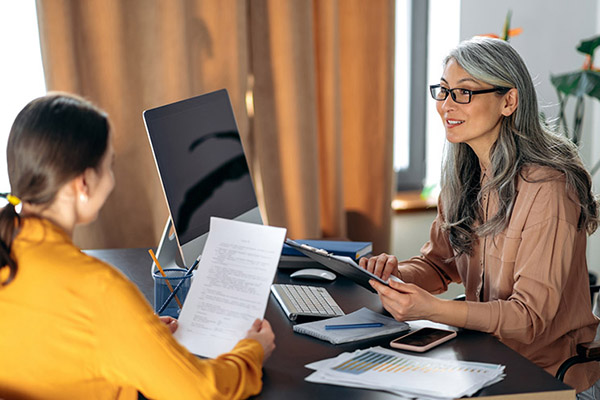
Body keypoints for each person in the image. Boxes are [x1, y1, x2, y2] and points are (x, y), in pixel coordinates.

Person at [360, 37, 600, 396]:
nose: (446, 105)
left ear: (509, 101)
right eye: (442, 91)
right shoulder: (464, 177)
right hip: (486, 360)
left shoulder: (549, 189)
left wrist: (434, 310)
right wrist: (395, 275)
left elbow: (529, 319)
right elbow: (440, 264)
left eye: (464, 93)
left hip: (548, 378)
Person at [0, 93, 275, 399]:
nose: (112, 178)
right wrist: (252, 352)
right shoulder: (99, 291)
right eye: (109, 165)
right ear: (84, 184)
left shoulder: (10, 255)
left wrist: (135, 332)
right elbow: (201, 392)